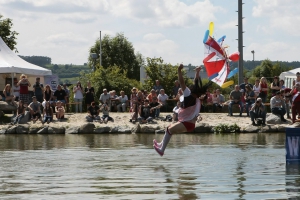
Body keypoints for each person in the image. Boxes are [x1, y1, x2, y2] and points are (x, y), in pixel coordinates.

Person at [153, 64, 211, 156]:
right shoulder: (197, 99)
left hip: (187, 123)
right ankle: (161, 145)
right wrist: (197, 72)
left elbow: (182, 82)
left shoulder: (188, 94)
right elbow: (196, 83)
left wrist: (179, 70)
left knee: (169, 130)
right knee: (169, 128)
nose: (191, 86)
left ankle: (161, 150)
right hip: (189, 123)